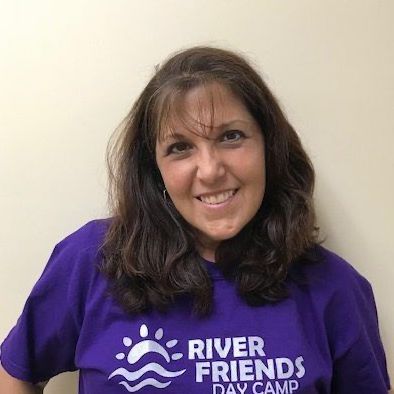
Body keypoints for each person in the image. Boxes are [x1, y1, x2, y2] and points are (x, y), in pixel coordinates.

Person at [0, 46, 390, 394]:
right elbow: (14, 373)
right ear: (156, 172)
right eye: (180, 148)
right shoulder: (91, 262)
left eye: (231, 136)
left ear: (270, 148)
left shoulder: (335, 288)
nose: (209, 170)